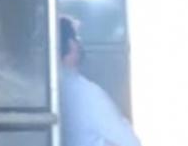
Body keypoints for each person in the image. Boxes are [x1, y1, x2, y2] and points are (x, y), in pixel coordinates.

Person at [59, 15, 142, 146]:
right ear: (71, 44)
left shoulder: (41, 93)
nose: (80, 43)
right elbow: (130, 143)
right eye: (77, 38)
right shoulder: (87, 94)